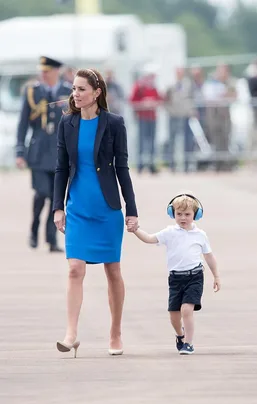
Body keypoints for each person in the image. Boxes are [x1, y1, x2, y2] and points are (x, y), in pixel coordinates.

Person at [53, 68, 138, 357]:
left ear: (97, 93)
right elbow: (62, 168)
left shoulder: (114, 123)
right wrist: (57, 208)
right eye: (74, 89)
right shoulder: (67, 123)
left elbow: (122, 169)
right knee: (75, 269)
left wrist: (132, 210)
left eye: (81, 90)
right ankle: (71, 333)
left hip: (107, 209)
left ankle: (115, 332)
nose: (75, 94)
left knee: (112, 270)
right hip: (77, 208)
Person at [128, 193, 221, 355]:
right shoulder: (169, 232)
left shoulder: (200, 235)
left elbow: (209, 256)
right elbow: (150, 238)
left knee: (186, 310)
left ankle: (189, 343)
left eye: (187, 214)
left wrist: (216, 276)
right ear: (172, 214)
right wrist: (136, 230)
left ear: (196, 215)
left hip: (195, 276)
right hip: (176, 278)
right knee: (173, 315)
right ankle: (180, 334)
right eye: (179, 214)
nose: (183, 218)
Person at [16, 56, 72, 252]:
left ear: (56, 71)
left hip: (60, 152)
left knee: (56, 198)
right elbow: (23, 122)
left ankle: (51, 239)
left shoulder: (68, 91)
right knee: (42, 192)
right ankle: (34, 228)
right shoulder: (33, 91)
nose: (43, 74)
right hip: (39, 152)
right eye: (42, 71)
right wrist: (20, 151)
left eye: (47, 71)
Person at [129, 65, 163, 174]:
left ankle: (152, 165)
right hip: (142, 118)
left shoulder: (154, 88)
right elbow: (132, 101)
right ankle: (140, 165)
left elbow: (159, 100)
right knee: (142, 141)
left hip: (152, 117)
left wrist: (153, 103)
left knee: (152, 141)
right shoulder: (139, 87)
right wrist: (143, 103)